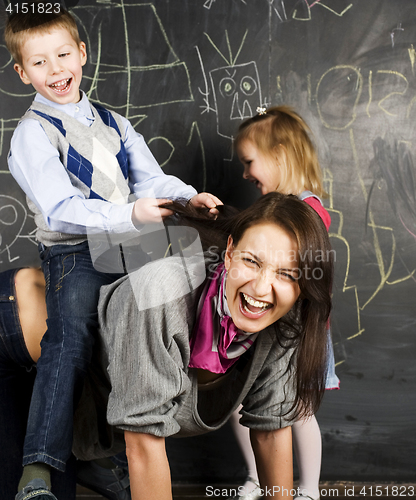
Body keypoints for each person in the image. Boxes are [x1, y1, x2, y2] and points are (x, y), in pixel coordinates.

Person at [4, 5, 221, 499]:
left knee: (127, 353)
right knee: (70, 345)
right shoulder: (33, 133)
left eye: (63, 55)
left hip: (132, 248)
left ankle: (108, 465)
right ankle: (38, 468)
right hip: (75, 254)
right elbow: (60, 210)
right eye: (39, 63)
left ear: (82, 53)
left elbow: (151, 178)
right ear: (21, 72)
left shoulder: (114, 123)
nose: (55, 70)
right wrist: (131, 215)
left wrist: (188, 196)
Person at [75, 192, 334, 500]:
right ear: (229, 252)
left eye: (286, 273)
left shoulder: (285, 315)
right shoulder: (159, 295)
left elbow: (271, 429)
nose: (262, 288)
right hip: (32, 373)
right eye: (251, 261)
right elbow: (144, 444)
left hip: (105, 437)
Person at [232, 105, 339, 500]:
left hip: (297, 332)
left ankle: (308, 489)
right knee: (242, 404)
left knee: (300, 412)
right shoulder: (270, 212)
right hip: (265, 326)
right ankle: (260, 477)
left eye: (249, 162)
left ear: (278, 155)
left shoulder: (307, 210)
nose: (245, 174)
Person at [0, 267, 131, 500]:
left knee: (41, 482)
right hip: (13, 311)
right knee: (26, 479)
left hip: (31, 322)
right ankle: (91, 465)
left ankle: (90, 465)